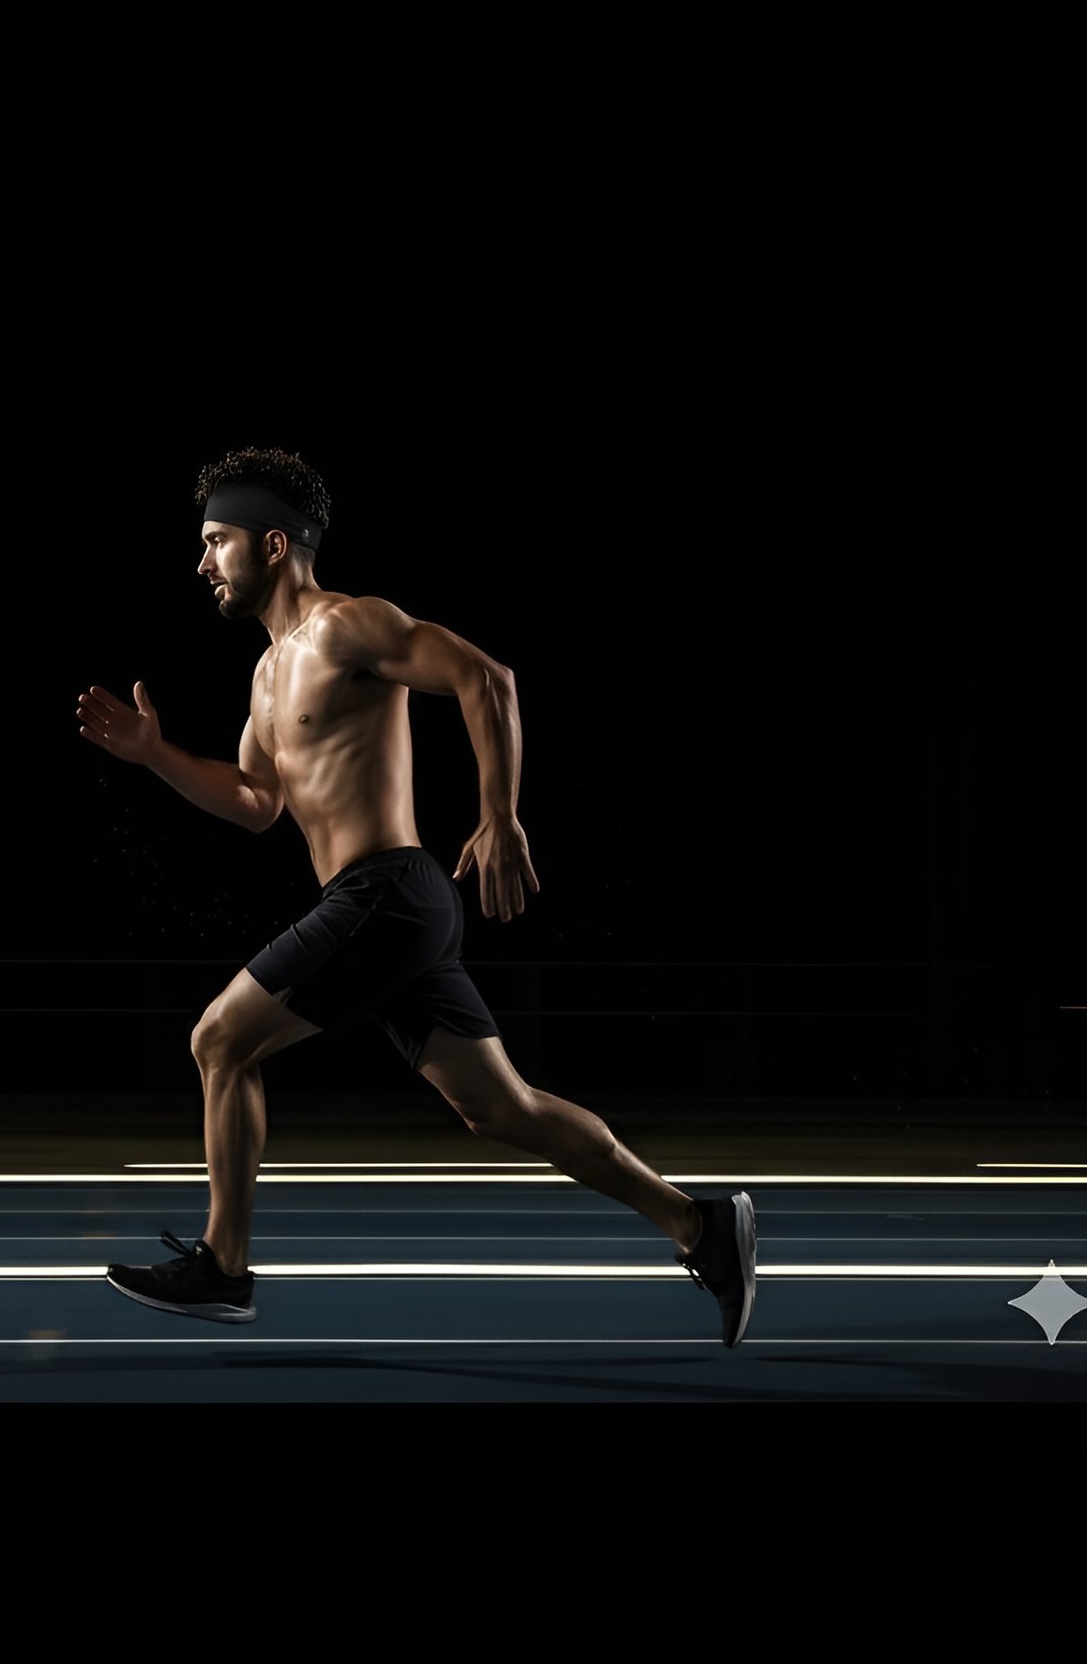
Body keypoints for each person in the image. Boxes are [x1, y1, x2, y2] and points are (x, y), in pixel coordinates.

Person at [76, 446, 756, 1345]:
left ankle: (223, 1266)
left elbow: (486, 678)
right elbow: (255, 803)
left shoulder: (347, 627)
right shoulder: (269, 674)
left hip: (387, 893)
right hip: (386, 912)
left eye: (216, 541)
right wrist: (155, 756)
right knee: (498, 1107)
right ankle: (701, 1227)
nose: (202, 562)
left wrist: (500, 817)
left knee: (220, 1040)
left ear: (274, 544)